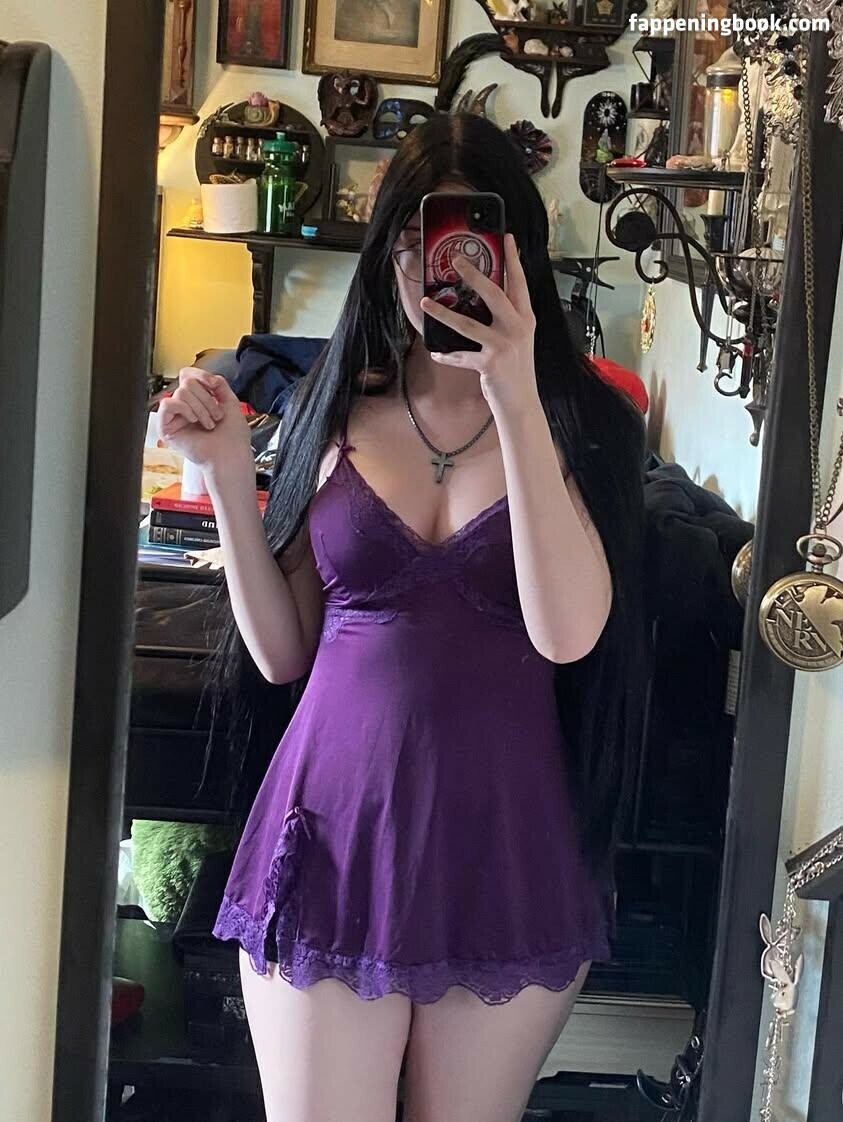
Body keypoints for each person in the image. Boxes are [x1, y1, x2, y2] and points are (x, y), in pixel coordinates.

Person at [158, 112, 647, 1122]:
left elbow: (567, 635)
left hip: (503, 851)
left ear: (517, 257)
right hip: (329, 840)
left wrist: (514, 394)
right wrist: (226, 478)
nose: (444, 268)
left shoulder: (585, 427)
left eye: (472, 242)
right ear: (389, 256)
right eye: (421, 241)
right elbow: (283, 652)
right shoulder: (334, 408)